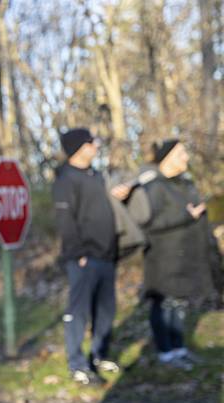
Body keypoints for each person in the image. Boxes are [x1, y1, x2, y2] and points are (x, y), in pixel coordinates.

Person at [127, 139, 222, 369]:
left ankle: (179, 349)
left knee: (179, 305)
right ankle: (164, 353)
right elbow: (148, 223)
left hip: (184, 257)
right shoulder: (154, 187)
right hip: (162, 259)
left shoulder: (185, 184)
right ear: (167, 158)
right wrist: (186, 216)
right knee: (164, 305)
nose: (186, 158)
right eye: (181, 154)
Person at [53, 128, 121, 385]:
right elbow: (65, 220)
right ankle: (77, 365)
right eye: (93, 142)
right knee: (78, 311)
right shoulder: (66, 179)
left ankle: (100, 355)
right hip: (83, 258)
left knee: (105, 310)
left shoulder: (97, 176)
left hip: (107, 256)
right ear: (81, 147)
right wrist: (77, 253)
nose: (97, 146)